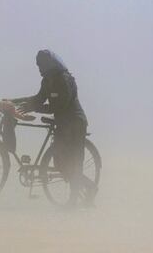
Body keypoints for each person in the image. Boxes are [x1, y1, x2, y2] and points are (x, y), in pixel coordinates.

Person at [6, 49, 97, 207]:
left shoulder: (63, 79)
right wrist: (14, 101)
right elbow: (38, 99)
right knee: (61, 165)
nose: (39, 68)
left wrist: (34, 108)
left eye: (41, 65)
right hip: (62, 125)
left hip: (75, 124)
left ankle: (75, 199)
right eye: (38, 65)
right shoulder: (47, 80)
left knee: (73, 163)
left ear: (49, 64)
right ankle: (88, 188)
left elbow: (60, 106)